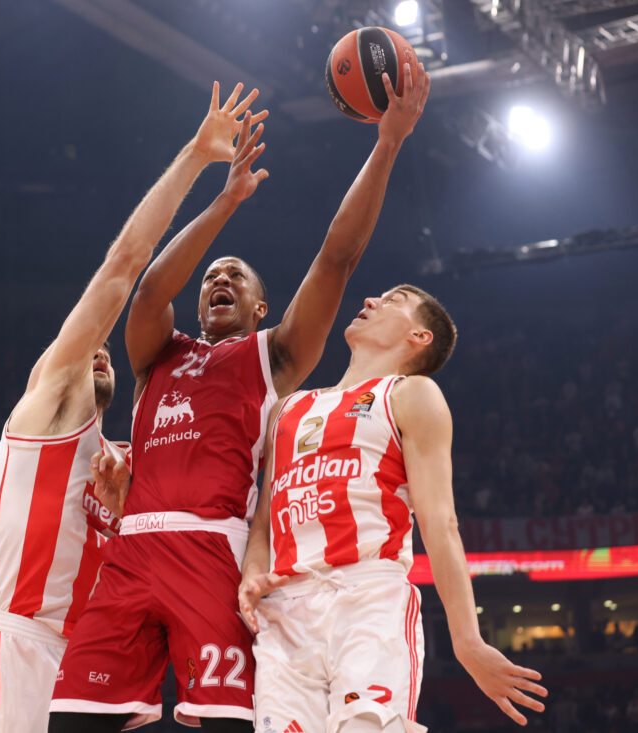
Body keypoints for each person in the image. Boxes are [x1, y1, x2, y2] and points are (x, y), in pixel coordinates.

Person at [49, 65, 430, 732]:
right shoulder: (157, 353)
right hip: (131, 554)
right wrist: (224, 202)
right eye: (212, 273)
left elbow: (337, 257)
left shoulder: (273, 356)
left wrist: (388, 143)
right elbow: (147, 293)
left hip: (216, 553)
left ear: (260, 306)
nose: (219, 275)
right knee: (71, 720)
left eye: (236, 274)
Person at [0, 81, 266, 733]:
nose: (98, 356)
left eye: (106, 355)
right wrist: (197, 160)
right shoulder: (51, 399)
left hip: (83, 659)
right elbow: (125, 267)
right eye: (87, 349)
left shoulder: (119, 467)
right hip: (15, 643)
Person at [238, 285, 549, 732]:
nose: (370, 301)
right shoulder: (288, 409)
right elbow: (264, 521)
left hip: (368, 598)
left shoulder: (411, 394)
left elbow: (441, 522)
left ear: (420, 336)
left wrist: (467, 642)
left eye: (393, 300)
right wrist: (251, 572)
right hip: (285, 612)